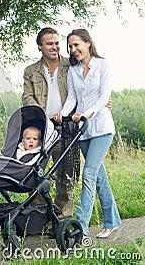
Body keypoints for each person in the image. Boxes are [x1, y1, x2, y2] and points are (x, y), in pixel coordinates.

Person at [53, 28, 121, 238]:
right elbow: (72, 99)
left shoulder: (103, 65)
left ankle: (80, 228)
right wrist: (62, 114)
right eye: (70, 46)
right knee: (99, 178)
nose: (73, 50)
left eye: (76, 45)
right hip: (83, 133)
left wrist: (87, 113)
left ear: (88, 43)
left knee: (89, 175)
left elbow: (103, 98)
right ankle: (112, 221)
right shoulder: (73, 71)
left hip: (101, 129)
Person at [22, 27, 77, 219]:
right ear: (40, 47)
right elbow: (27, 98)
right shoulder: (31, 71)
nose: (55, 47)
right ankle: (40, 214)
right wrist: (43, 116)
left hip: (66, 128)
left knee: (65, 174)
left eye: (56, 43)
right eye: (49, 43)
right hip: (42, 130)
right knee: (34, 171)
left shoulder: (70, 65)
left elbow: (86, 87)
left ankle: (62, 217)